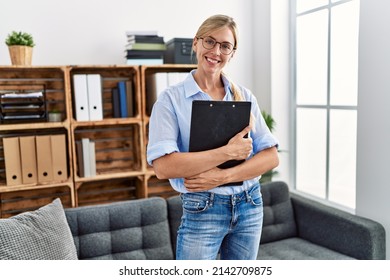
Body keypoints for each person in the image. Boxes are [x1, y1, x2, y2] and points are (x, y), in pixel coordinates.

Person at [147, 14, 279, 260]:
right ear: (196, 43)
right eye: (210, 41)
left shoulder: (245, 97)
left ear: (232, 53)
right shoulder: (170, 100)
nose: (216, 51)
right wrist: (228, 152)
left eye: (225, 46)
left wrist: (224, 176)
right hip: (202, 207)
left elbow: (271, 157)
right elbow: (164, 167)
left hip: (250, 205)